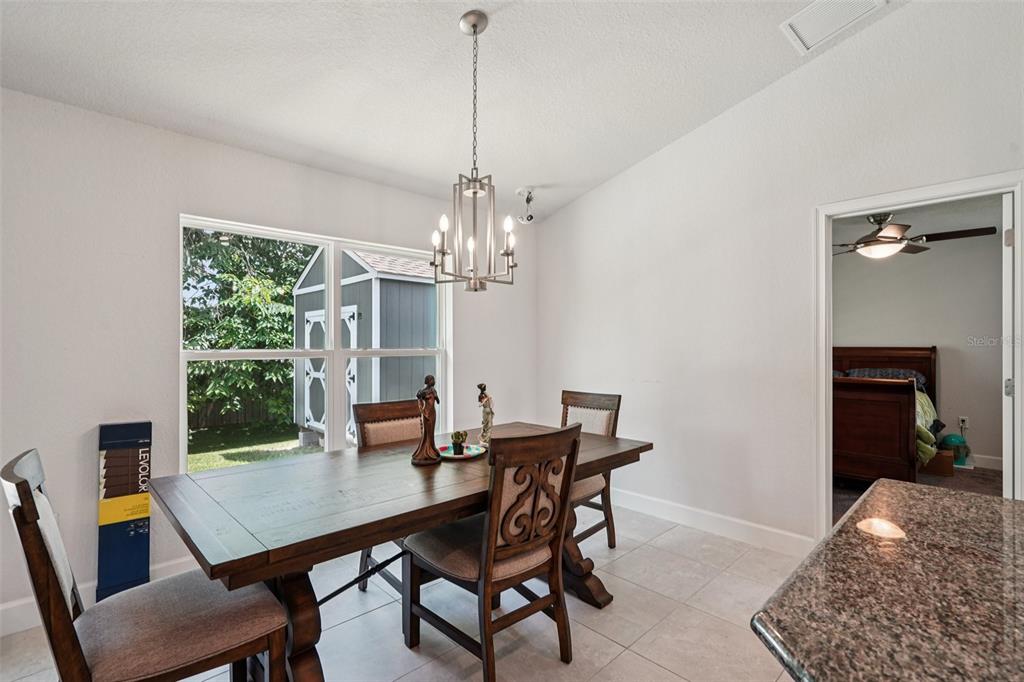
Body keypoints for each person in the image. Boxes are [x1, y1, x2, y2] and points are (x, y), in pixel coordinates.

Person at [411, 375, 441, 466]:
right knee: (427, 432)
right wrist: (423, 411)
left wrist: (436, 396)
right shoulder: (423, 391)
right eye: (432, 380)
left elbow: (438, 401)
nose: (434, 381)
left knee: (431, 432)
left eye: (434, 380)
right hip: (427, 413)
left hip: (433, 413)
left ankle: (431, 448)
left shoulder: (433, 390)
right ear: (428, 381)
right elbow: (419, 400)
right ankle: (424, 451)